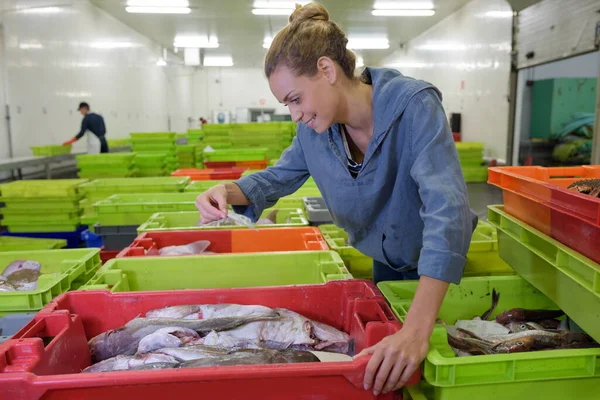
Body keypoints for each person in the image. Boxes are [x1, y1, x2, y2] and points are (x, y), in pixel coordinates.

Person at [195, 2, 476, 395]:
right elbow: (277, 178)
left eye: (295, 99)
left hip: (440, 276)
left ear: (326, 70)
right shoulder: (315, 132)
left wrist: (416, 329)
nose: (294, 115)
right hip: (386, 268)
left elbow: (449, 212)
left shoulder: (413, 108)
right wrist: (226, 191)